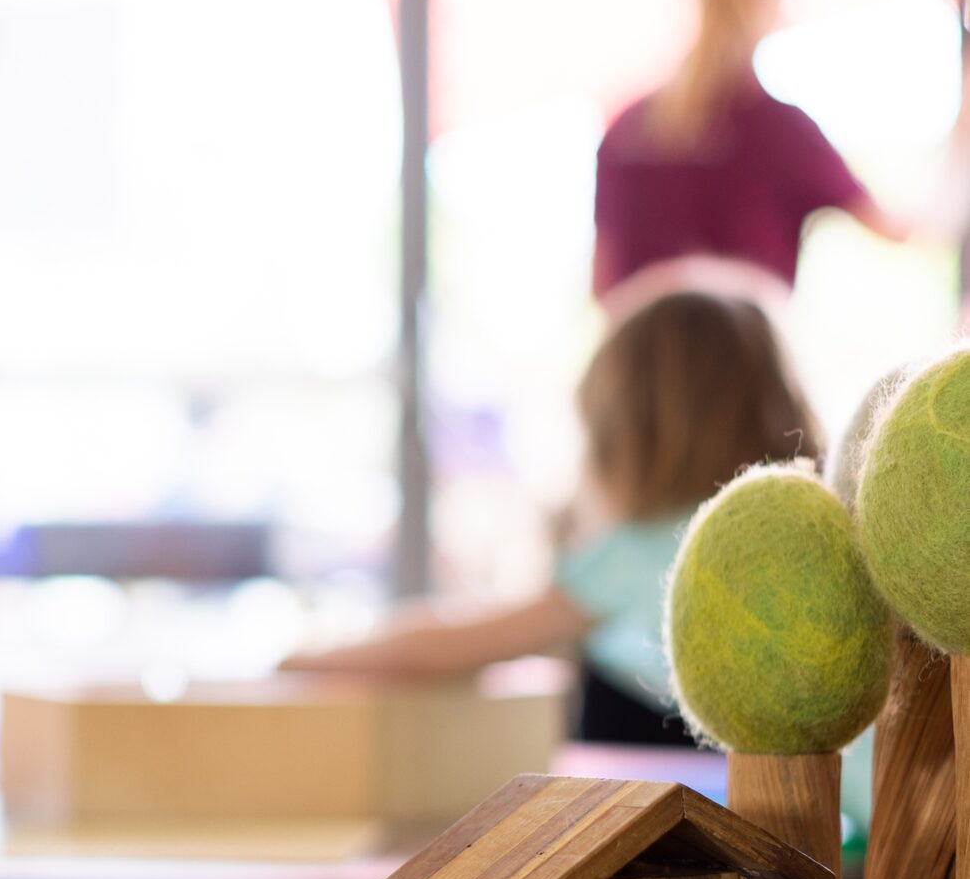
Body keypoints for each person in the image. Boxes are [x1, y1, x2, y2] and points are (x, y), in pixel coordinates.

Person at [282, 290, 822, 745]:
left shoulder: (654, 548)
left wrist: (301, 659)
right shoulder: (807, 536)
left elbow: (452, 644)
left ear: (628, 437)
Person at [593, 0, 913, 316]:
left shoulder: (627, 130)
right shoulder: (779, 130)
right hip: (741, 371)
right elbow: (902, 230)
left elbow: (603, 287)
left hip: (639, 372)